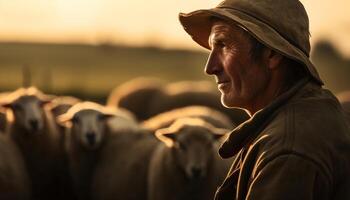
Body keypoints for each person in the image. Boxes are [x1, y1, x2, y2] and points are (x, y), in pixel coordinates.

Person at [178, 0, 350, 199]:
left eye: (223, 45)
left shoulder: (288, 152)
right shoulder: (302, 120)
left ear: (272, 54)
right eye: (211, 48)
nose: (210, 68)